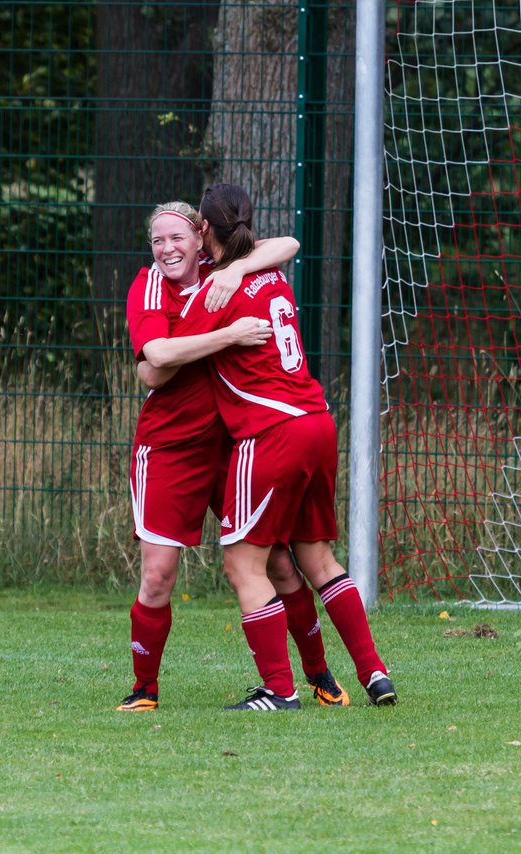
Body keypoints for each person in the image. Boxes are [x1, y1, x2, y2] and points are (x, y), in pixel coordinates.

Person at [144, 183, 396, 711]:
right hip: (319, 422)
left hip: (272, 433)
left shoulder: (214, 293)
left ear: (204, 232)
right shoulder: (268, 274)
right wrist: (236, 267)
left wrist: (148, 364)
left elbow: (158, 363)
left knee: (242, 565)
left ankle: (279, 690)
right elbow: (286, 243)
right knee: (317, 557)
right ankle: (374, 673)